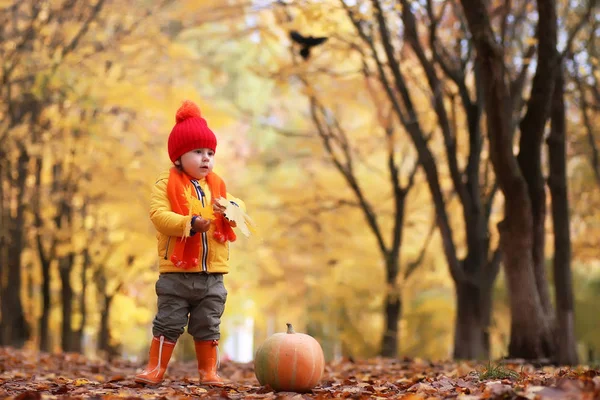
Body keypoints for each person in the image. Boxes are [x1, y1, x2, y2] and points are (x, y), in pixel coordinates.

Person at [134, 100, 245, 386]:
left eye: (210, 152)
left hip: (212, 275)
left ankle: (208, 372)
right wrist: (190, 224)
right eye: (198, 152)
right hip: (177, 272)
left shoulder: (217, 187)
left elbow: (237, 208)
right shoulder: (166, 184)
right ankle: (155, 369)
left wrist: (229, 210)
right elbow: (159, 216)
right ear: (179, 157)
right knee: (168, 322)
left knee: (208, 324)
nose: (206, 158)